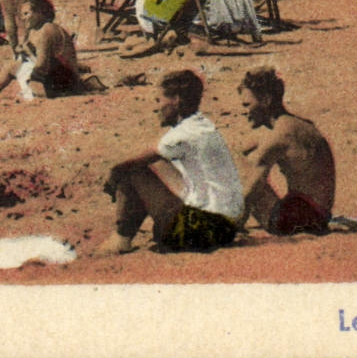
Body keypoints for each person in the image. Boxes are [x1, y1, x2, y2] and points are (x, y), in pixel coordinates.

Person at [97, 69, 244, 254]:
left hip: (204, 231)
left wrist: (114, 173)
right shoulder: (203, 126)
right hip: (226, 228)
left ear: (176, 100)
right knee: (154, 164)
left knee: (132, 171)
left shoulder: (182, 134)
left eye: (159, 101)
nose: (156, 107)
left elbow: (127, 165)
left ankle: (121, 239)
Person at [236, 67, 336, 236]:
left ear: (266, 100)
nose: (244, 112)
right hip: (319, 215)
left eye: (247, 105)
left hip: (297, 220)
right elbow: (244, 149)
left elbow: (252, 188)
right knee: (237, 160)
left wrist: (233, 224)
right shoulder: (295, 126)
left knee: (239, 170)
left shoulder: (280, 136)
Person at [0, 0, 79, 106]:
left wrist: (30, 82)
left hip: (64, 85)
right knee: (15, 66)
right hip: (69, 81)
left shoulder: (46, 30)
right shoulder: (42, 29)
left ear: (39, 12)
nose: (23, 18)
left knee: (12, 67)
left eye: (26, 14)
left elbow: (41, 65)